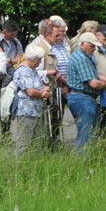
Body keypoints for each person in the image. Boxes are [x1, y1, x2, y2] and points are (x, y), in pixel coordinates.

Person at [67, 32, 106, 150]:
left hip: (82, 98)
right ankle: (82, 161)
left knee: (89, 131)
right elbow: (93, 83)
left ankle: (87, 161)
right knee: (86, 134)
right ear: (82, 44)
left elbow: (94, 73)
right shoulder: (82, 58)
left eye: (95, 46)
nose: (94, 49)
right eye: (92, 46)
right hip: (83, 98)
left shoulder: (83, 56)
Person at [31, 19, 63, 149]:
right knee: (42, 124)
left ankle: (47, 147)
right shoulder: (40, 48)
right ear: (47, 34)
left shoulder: (49, 48)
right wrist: (50, 72)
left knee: (50, 122)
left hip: (49, 90)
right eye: (56, 35)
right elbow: (32, 71)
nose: (59, 38)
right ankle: (41, 148)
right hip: (41, 92)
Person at [13, 45, 51, 156]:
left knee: (37, 143)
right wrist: (43, 93)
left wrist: (45, 89)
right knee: (24, 143)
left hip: (36, 111)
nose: (40, 63)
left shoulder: (32, 70)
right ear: (33, 58)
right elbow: (30, 91)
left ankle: (33, 167)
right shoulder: (23, 71)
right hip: (26, 111)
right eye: (39, 60)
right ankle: (20, 169)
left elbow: (38, 86)